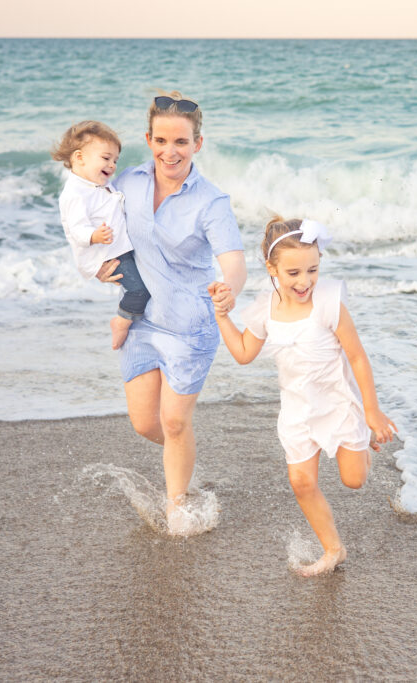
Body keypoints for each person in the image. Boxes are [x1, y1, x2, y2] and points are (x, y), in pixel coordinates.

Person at [209, 216, 397, 575]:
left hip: (339, 405)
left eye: (312, 269)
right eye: (293, 273)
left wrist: (371, 411)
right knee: (300, 481)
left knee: (353, 480)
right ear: (272, 269)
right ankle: (333, 549)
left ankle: (361, 447)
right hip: (296, 409)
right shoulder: (266, 309)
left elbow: (356, 356)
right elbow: (244, 353)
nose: (305, 281)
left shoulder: (328, 302)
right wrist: (222, 317)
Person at [96, 93, 246, 534]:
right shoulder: (127, 183)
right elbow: (102, 231)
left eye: (181, 141)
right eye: (161, 140)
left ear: (198, 143)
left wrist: (229, 291)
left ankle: (177, 503)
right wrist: (102, 266)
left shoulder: (212, 202)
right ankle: (181, 456)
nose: (170, 151)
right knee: (147, 424)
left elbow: (234, 262)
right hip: (141, 321)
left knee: (175, 421)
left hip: (190, 325)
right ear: (148, 139)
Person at [52, 121, 151, 350]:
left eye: (115, 160)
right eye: (106, 158)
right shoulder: (75, 193)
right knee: (139, 290)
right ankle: (121, 322)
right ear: (79, 158)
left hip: (117, 250)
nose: (112, 165)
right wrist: (94, 236)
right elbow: (76, 230)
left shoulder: (98, 185)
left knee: (142, 285)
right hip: (108, 256)